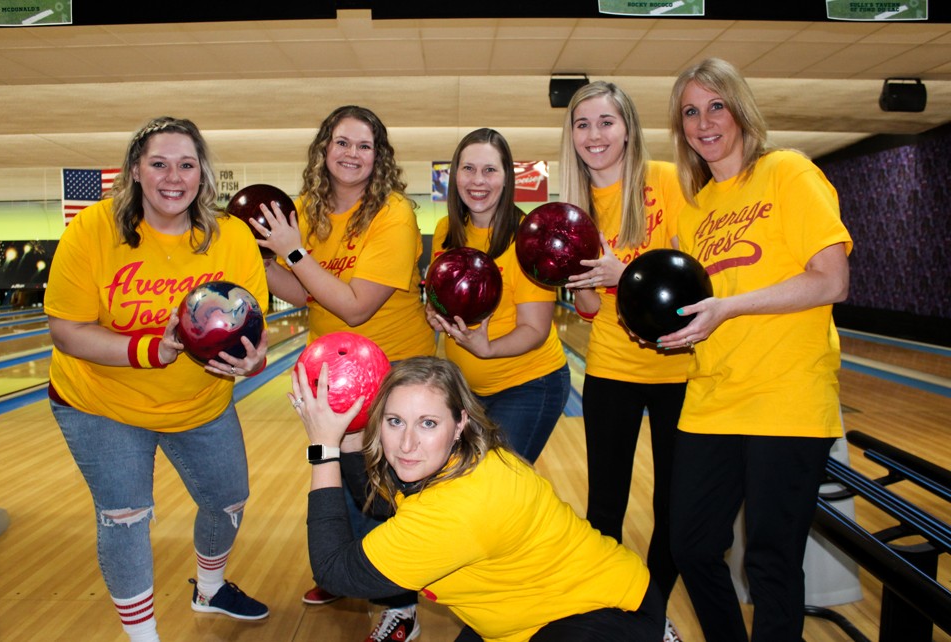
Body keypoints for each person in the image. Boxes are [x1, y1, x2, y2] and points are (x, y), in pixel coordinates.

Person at [46, 116, 270, 642]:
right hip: (101, 401)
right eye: (159, 163)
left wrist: (251, 365)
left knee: (229, 500)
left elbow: (254, 336)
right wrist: (155, 348)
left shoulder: (231, 238)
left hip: (199, 403)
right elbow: (66, 330)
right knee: (125, 516)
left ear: (203, 174)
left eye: (187, 164)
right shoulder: (93, 229)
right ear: (135, 171)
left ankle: (210, 590)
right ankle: (143, 637)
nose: (174, 177)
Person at [662, 57, 852, 642]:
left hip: (786, 396)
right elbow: (701, 303)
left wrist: (729, 308)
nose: (704, 122)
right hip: (713, 398)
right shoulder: (694, 210)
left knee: (770, 561)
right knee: (690, 546)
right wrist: (674, 327)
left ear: (740, 110)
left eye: (715, 105)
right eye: (690, 112)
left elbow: (830, 279)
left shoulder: (788, 173)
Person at [293, 355, 665, 642]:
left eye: (427, 423)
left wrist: (323, 450)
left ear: (460, 424)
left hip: (603, 613)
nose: (407, 444)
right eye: (394, 421)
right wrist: (350, 440)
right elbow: (380, 502)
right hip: (537, 608)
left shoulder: (457, 510)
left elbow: (335, 571)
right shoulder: (465, 457)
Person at [258, 105, 435, 640]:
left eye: (364, 145)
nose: (352, 154)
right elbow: (306, 290)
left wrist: (292, 251)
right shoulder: (306, 209)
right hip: (333, 374)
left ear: (378, 155)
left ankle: (400, 604)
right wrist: (268, 264)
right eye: (342, 142)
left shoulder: (394, 213)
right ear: (324, 149)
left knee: (384, 488)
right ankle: (350, 568)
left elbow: (356, 306)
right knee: (340, 476)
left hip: (397, 373)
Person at [558, 81, 690, 613]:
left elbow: (689, 275)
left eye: (606, 122)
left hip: (680, 367)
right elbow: (588, 309)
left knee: (674, 506)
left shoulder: (666, 182)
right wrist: (587, 281)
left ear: (628, 128)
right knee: (605, 503)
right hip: (613, 366)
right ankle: (608, 605)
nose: (595, 135)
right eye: (583, 124)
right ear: (571, 134)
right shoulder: (573, 209)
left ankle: (652, 607)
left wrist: (626, 271)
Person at [427, 128, 570, 463]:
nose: (479, 180)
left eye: (490, 170)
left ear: (507, 178)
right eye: (469, 168)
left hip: (530, 384)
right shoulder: (446, 231)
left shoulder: (528, 239)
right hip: (466, 391)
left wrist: (487, 349)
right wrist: (434, 315)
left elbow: (535, 330)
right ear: (455, 175)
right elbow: (441, 299)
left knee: (499, 485)